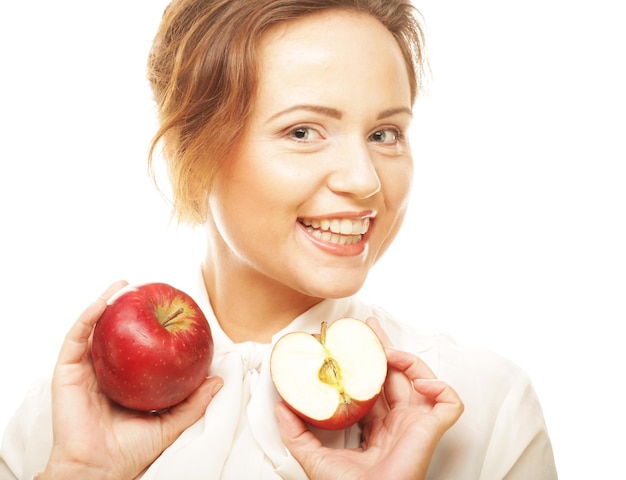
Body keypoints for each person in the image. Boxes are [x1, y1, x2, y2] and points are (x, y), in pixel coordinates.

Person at [0, 0, 557, 478]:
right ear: (193, 155)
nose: (364, 180)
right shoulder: (60, 420)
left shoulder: (484, 409)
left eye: (385, 133)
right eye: (303, 131)